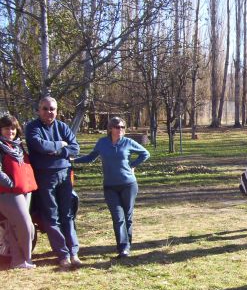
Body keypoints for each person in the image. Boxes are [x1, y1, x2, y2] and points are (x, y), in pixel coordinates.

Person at [74, 117, 149, 258]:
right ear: (110, 128)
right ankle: (122, 247)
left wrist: (132, 165)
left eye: (122, 127)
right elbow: (91, 157)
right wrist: (73, 160)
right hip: (110, 186)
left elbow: (145, 153)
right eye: (117, 127)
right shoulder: (103, 143)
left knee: (127, 216)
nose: (120, 129)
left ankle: (126, 247)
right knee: (117, 216)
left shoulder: (128, 142)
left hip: (128, 185)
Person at [25, 96, 80, 268]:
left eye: (52, 109)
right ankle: (62, 254)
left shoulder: (62, 126)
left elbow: (75, 148)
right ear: (39, 110)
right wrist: (61, 145)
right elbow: (39, 145)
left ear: (56, 111)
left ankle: (74, 252)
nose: (49, 112)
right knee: (51, 216)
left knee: (67, 214)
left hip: (64, 174)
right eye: (45, 108)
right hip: (44, 176)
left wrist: (55, 150)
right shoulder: (32, 127)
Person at [0, 115, 38, 269]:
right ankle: (26, 259)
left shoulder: (17, 146)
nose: (10, 131)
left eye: (13, 128)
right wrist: (11, 183)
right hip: (8, 192)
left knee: (12, 226)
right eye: (7, 128)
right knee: (26, 225)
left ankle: (17, 260)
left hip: (25, 190)